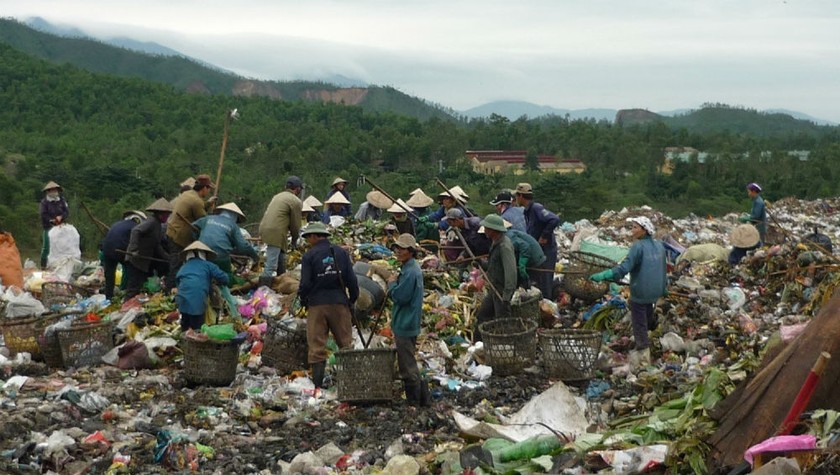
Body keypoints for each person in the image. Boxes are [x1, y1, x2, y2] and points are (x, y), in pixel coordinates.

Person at [590, 216, 666, 368]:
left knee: (639, 324)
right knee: (647, 314)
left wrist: (604, 275)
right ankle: (654, 339)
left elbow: (624, 269)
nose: (632, 230)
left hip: (641, 291)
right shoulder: (659, 246)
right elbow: (663, 268)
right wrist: (664, 288)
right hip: (656, 291)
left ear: (644, 230)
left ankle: (644, 360)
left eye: (635, 227)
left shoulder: (638, 247)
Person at [297, 221, 359, 390]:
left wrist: (303, 300)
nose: (308, 241)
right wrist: (352, 299)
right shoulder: (340, 253)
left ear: (315, 236)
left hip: (317, 305)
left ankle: (317, 386)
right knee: (345, 344)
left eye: (309, 237)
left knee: (317, 347)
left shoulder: (309, 256)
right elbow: (351, 280)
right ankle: (351, 383)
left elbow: (305, 284)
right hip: (339, 303)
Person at [387, 233, 431, 406]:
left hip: (406, 322)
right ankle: (422, 400)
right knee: (407, 360)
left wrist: (391, 284)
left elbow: (401, 297)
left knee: (407, 364)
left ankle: (415, 402)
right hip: (406, 321)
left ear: (411, 251)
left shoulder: (411, 271)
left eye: (402, 248)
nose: (398, 251)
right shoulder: (408, 268)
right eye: (397, 248)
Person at [165, 174, 215, 292]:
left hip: (172, 231)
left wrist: (208, 203)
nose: (208, 192)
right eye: (208, 189)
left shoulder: (188, 194)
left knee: (176, 263)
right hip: (179, 236)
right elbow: (203, 219)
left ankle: (173, 288)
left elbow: (199, 206)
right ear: (204, 188)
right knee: (176, 265)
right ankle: (170, 290)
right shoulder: (196, 201)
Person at [473, 214, 517, 341]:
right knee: (483, 315)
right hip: (494, 288)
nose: (485, 231)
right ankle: (478, 344)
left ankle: (506, 347)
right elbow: (494, 266)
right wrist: (481, 264)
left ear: (493, 230)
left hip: (501, 291)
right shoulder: (495, 243)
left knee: (502, 322)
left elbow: (511, 272)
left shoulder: (504, 246)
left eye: (487, 228)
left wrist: (506, 296)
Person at [515, 183, 560, 300]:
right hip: (538, 251)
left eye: (516, 196)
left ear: (520, 196)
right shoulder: (527, 212)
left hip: (547, 250)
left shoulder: (536, 208)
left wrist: (544, 236)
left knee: (545, 280)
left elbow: (554, 219)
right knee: (538, 280)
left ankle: (548, 305)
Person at [175, 240, 230, 332]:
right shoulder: (208, 265)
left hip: (182, 300)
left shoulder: (184, 267)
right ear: (203, 255)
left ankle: (185, 340)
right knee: (197, 327)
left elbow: (177, 281)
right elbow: (224, 278)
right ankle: (197, 342)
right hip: (197, 299)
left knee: (185, 325)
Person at [259, 176, 304, 285]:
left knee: (281, 258)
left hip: (265, 227)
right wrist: (294, 240)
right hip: (276, 231)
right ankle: (262, 292)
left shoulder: (277, 196)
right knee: (271, 265)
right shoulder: (295, 201)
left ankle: (279, 284)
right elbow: (295, 224)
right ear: (297, 189)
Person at [193, 202, 258, 277]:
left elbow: (193, 227)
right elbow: (243, 246)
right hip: (220, 256)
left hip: (201, 252)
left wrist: (196, 239)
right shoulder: (233, 226)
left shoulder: (208, 218)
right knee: (227, 276)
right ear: (235, 217)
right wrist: (255, 256)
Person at [125, 198, 172, 298]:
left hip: (143, 260)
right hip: (136, 259)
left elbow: (157, 245)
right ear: (160, 214)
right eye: (166, 215)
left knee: (138, 287)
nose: (167, 217)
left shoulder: (158, 226)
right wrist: (133, 249)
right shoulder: (151, 222)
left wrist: (168, 258)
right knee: (133, 288)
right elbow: (135, 231)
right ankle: (126, 307)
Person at [100, 210, 147, 300]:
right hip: (120, 250)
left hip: (107, 249)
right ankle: (129, 295)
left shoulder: (117, 224)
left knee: (109, 274)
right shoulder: (136, 227)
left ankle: (108, 297)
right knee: (132, 270)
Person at [39, 181, 70, 269]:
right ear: (48, 191)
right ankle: (43, 266)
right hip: (49, 227)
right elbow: (43, 214)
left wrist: (61, 217)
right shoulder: (44, 203)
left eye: (55, 190)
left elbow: (66, 212)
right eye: (52, 190)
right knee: (47, 247)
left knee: (61, 246)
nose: (54, 192)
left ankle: (58, 265)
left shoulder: (61, 200)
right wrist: (51, 220)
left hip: (61, 227)